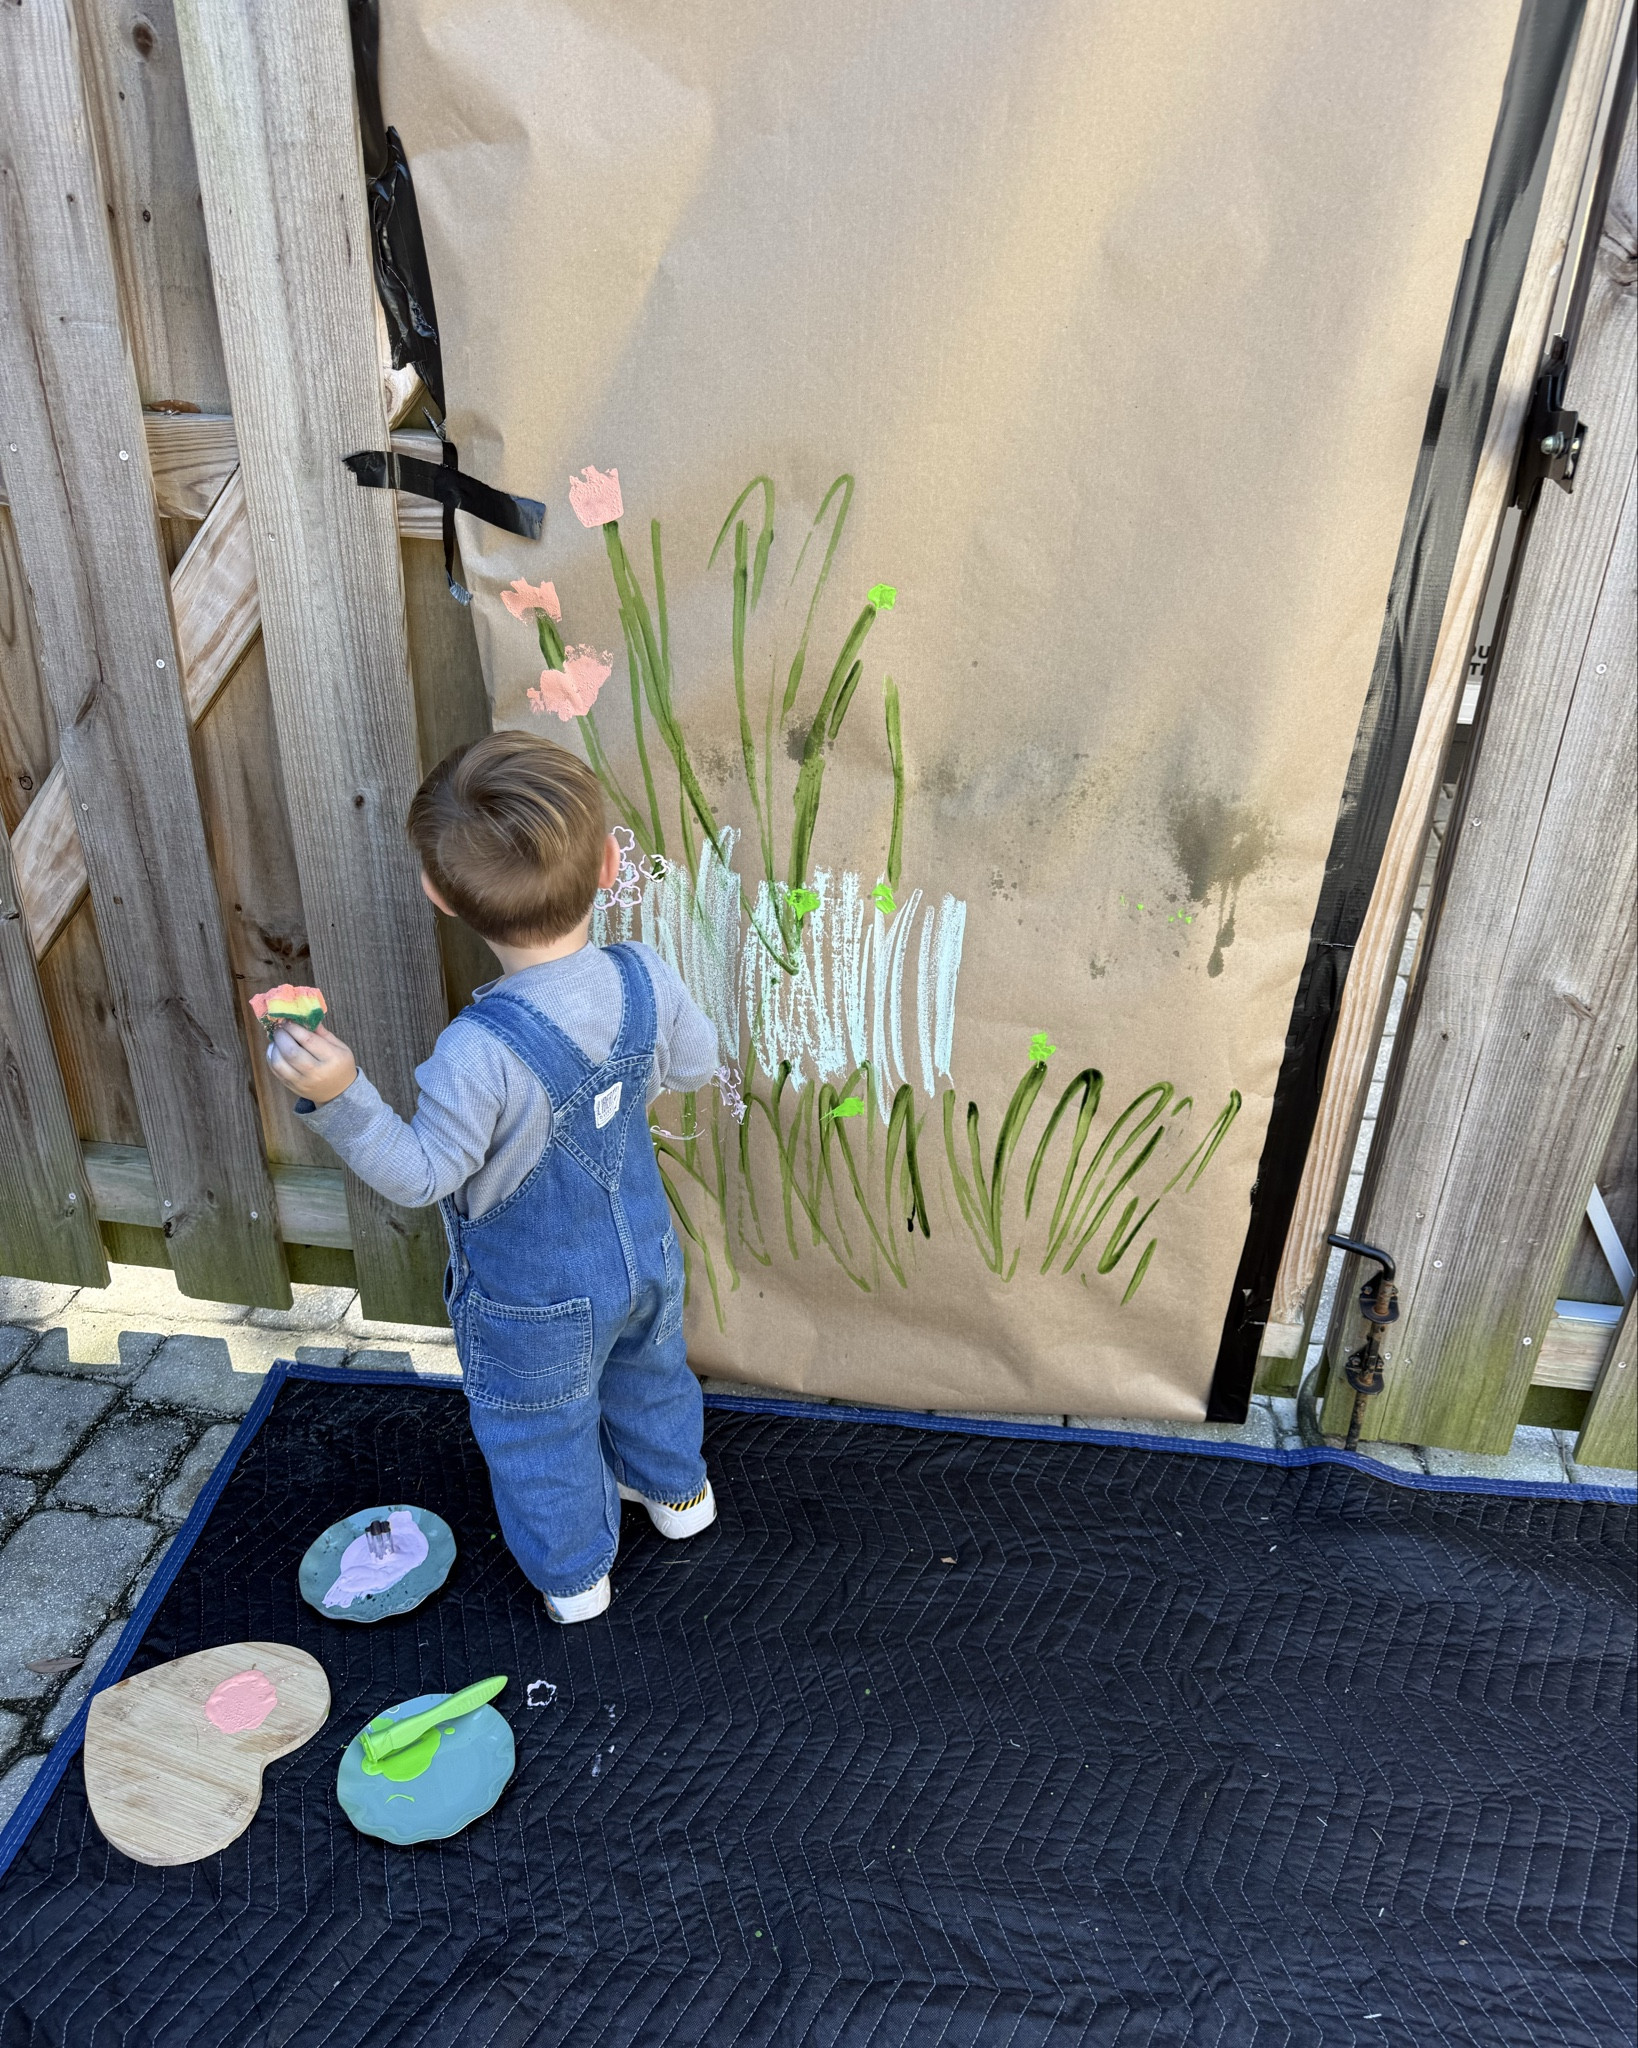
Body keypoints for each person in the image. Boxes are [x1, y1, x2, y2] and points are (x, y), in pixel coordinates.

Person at [263, 731, 720, 1623]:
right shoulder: (644, 977)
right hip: (647, 1253)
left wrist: (340, 1093)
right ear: (607, 862)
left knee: (538, 1432)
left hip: (530, 1299)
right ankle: (679, 1499)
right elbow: (695, 1066)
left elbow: (420, 1173)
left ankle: (578, 1580)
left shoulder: (476, 1052)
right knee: (652, 1369)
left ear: (439, 896)